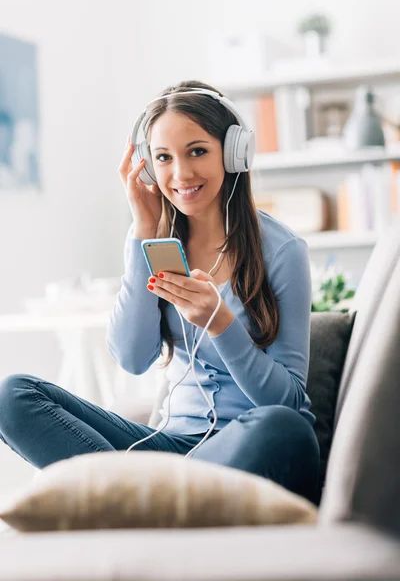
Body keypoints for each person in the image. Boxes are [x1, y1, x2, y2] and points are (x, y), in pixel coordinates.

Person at [0, 80, 320, 503]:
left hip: (243, 446)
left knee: (284, 429)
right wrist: (142, 231)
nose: (181, 174)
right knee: (12, 396)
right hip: (167, 448)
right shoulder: (157, 242)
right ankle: (154, 500)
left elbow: (289, 400)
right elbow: (132, 359)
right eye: (163, 158)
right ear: (148, 167)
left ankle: (131, 499)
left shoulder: (282, 251)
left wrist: (220, 324)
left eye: (197, 151)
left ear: (233, 151)